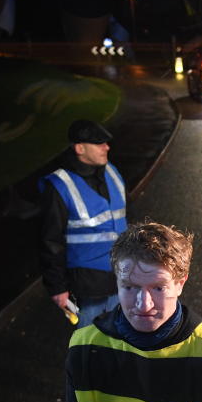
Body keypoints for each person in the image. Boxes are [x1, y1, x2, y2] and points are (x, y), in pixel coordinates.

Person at [62, 221, 202, 402]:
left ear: (180, 283)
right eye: (130, 287)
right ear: (116, 283)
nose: (144, 305)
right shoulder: (81, 348)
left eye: (158, 288)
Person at [39, 119, 127, 328]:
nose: (107, 147)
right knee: (90, 345)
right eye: (99, 143)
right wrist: (57, 287)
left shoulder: (111, 172)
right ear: (79, 148)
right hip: (88, 286)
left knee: (123, 338)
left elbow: (126, 218)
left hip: (122, 276)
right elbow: (50, 241)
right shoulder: (59, 185)